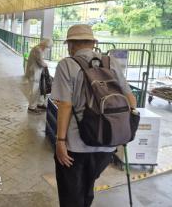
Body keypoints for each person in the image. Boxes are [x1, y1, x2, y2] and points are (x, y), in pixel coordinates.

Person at [51, 24, 137, 207]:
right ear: (92, 43)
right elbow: (131, 101)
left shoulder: (67, 64)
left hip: (75, 145)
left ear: (71, 45)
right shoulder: (110, 62)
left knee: (71, 194)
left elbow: (65, 106)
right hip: (107, 143)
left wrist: (60, 141)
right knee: (87, 188)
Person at [25, 38, 53, 113]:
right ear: (45, 45)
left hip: (35, 73)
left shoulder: (38, 48)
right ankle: (32, 107)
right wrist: (46, 64)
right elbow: (40, 62)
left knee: (37, 90)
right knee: (34, 91)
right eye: (48, 47)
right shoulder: (38, 50)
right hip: (33, 73)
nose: (48, 49)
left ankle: (38, 104)